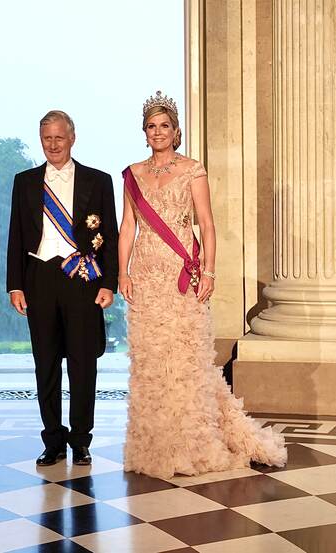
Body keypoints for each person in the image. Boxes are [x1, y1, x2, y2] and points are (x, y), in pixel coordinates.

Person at [119, 91, 287, 479]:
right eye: (151, 126)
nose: (158, 132)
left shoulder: (193, 170)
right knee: (150, 364)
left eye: (164, 126)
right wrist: (122, 273)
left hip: (182, 278)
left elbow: (207, 226)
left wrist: (209, 272)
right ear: (144, 133)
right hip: (145, 278)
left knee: (185, 363)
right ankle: (156, 446)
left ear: (176, 131)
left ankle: (193, 444)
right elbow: (127, 227)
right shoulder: (132, 174)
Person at [7, 110, 118, 466]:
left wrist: (109, 284)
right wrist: (15, 285)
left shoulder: (98, 181)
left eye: (59, 137)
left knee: (84, 365)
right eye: (46, 138)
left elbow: (111, 237)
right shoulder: (24, 181)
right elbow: (17, 236)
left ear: (72, 138)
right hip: (39, 279)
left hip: (83, 280)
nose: (53, 144)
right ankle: (52, 439)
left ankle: (81, 439)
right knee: (46, 365)